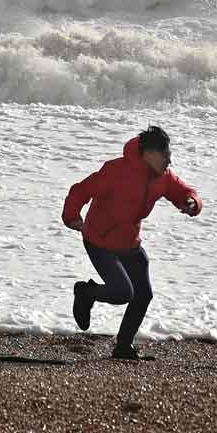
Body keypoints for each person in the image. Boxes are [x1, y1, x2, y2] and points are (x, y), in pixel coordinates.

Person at [62, 126, 202, 360]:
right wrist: (72, 217)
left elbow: (184, 191)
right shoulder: (116, 170)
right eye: (165, 154)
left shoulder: (163, 177)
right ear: (148, 153)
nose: (170, 159)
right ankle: (86, 292)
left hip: (129, 243)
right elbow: (81, 190)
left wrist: (191, 202)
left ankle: (123, 346)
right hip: (100, 240)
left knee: (143, 294)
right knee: (122, 292)